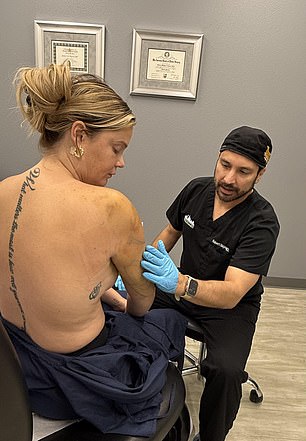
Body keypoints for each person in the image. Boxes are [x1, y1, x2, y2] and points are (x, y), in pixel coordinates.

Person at [0, 62, 187, 437]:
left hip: (13, 364)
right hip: (67, 379)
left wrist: (97, 290)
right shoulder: (110, 206)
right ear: (80, 135)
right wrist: (124, 292)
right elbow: (141, 303)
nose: (121, 162)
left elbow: (43, 277)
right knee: (167, 322)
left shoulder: (3, 189)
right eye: (117, 148)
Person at [140, 126, 280, 441]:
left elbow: (231, 293)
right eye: (225, 165)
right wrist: (143, 269)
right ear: (217, 159)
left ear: (260, 174)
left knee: (226, 371)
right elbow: (169, 234)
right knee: (132, 314)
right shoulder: (196, 191)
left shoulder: (262, 222)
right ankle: (151, 404)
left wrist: (179, 284)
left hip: (230, 308)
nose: (229, 178)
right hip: (181, 286)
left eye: (244, 171)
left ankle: (211, 435)